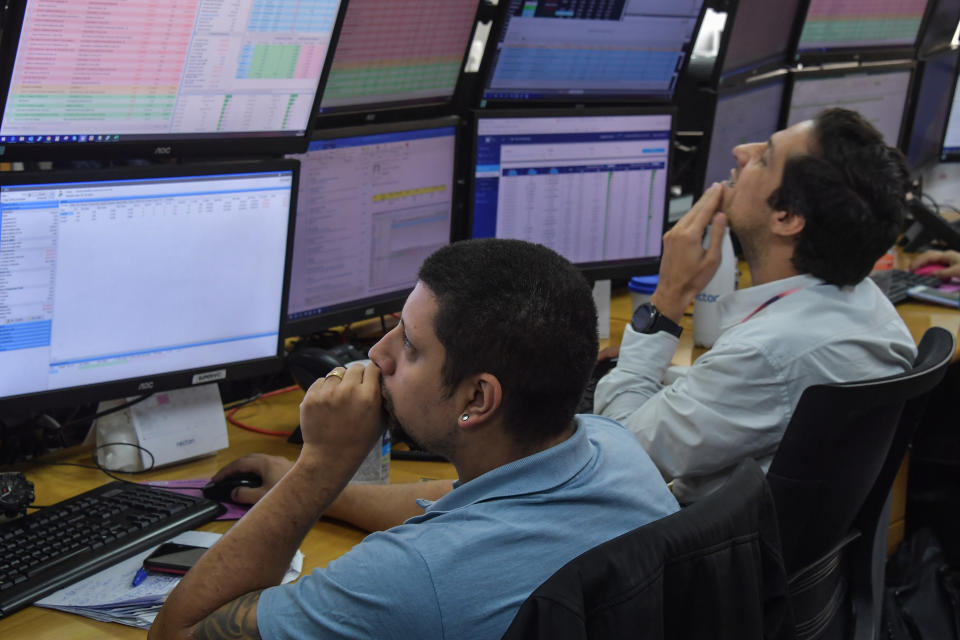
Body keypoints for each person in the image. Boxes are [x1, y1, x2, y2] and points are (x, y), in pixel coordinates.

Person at [149, 238, 679, 640]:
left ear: (477, 399)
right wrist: (302, 485)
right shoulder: (614, 448)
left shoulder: (412, 576)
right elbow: (458, 505)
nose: (378, 355)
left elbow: (177, 631)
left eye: (408, 344)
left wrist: (320, 468)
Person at [594, 108, 918, 503]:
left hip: (688, 556)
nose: (740, 151)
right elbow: (767, 400)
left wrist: (668, 300)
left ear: (786, 216)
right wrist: (667, 376)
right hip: (780, 554)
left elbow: (615, 458)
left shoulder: (766, 355)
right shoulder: (869, 305)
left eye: (764, 157)